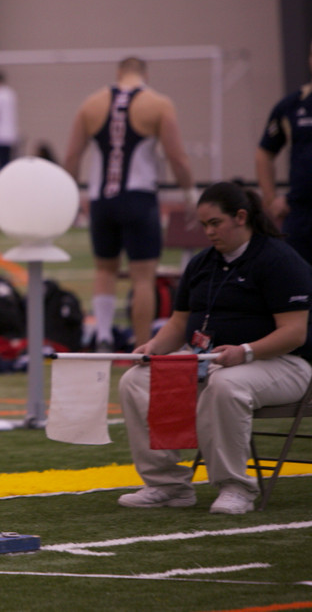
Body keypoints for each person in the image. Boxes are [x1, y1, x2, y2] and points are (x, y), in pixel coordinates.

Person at [117, 181, 312, 514]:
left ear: (240, 217)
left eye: (214, 223)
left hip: (286, 366)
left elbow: (294, 334)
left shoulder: (279, 260)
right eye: (204, 225)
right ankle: (167, 485)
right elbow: (179, 324)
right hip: (211, 361)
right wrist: (151, 348)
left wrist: (245, 351)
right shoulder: (200, 263)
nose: (208, 232)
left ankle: (237, 487)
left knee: (225, 384)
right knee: (136, 379)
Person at [63, 56, 198, 351]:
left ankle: (103, 336)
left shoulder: (91, 103)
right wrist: (190, 193)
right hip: (139, 198)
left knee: (104, 269)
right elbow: (177, 156)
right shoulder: (158, 104)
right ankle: (141, 346)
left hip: (101, 199)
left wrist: (70, 195)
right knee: (142, 277)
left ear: (118, 73)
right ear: (145, 74)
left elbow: (71, 156)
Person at [255, 39, 312, 267]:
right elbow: (264, 153)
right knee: (299, 282)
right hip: (301, 214)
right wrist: (271, 200)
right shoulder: (292, 106)